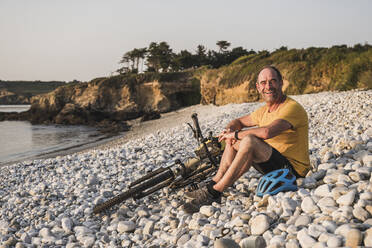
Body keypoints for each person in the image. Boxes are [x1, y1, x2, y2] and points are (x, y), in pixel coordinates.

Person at [182, 65, 310, 214]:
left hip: (292, 172)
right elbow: (238, 122)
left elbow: (267, 132)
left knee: (248, 140)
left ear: (281, 83)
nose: (268, 86)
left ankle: (214, 192)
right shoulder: (264, 111)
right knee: (234, 140)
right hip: (273, 164)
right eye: (263, 82)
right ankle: (214, 183)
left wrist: (235, 134)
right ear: (257, 87)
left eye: (272, 81)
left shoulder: (291, 108)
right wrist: (230, 131)